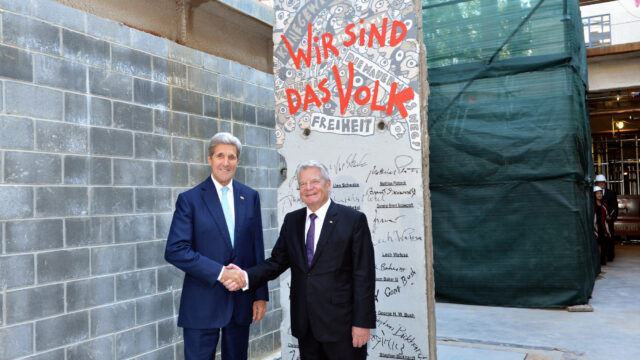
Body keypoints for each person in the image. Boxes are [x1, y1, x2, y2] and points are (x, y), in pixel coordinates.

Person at [225, 160, 376, 360]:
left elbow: (364, 275)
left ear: (328, 184)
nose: (308, 188)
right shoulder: (292, 221)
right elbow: (276, 262)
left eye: (314, 181)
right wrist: (244, 275)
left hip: (343, 327)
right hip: (306, 327)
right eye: (303, 184)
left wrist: (362, 323)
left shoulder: (353, 220)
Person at [164, 132, 268, 360]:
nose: (226, 162)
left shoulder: (250, 197)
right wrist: (220, 273)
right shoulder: (190, 200)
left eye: (232, 157)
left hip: (241, 302)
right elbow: (175, 249)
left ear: (238, 161)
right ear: (209, 159)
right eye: (220, 156)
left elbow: (256, 248)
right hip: (202, 303)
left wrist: (260, 294)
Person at [595, 174, 618, 261]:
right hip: (597, 221)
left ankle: (610, 256)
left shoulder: (611, 193)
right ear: (596, 183)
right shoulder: (592, 193)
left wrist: (611, 216)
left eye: (603, 183)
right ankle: (600, 257)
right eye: (599, 183)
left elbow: (615, 207)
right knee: (599, 238)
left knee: (609, 237)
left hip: (608, 220)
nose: (602, 184)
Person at [593, 185, 611, 266]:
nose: (599, 195)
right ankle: (596, 261)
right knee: (596, 245)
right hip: (595, 227)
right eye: (597, 193)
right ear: (594, 195)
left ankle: (602, 260)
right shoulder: (592, 205)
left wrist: (607, 217)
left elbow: (606, 214)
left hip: (602, 227)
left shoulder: (604, 204)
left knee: (604, 244)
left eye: (600, 193)